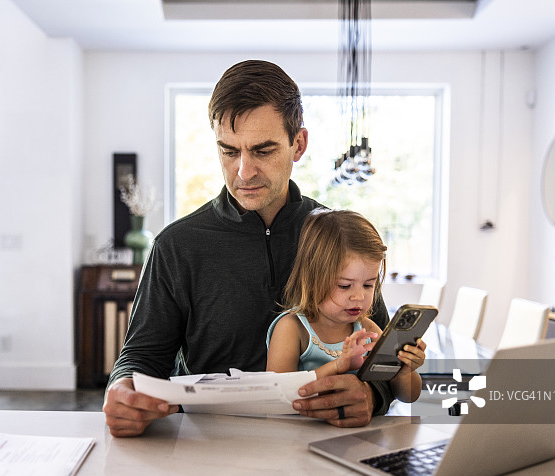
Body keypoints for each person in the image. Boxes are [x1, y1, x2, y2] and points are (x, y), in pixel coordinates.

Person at [103, 59, 397, 437]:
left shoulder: (338, 237)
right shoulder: (176, 246)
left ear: (299, 144)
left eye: (263, 150)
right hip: (209, 444)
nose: (244, 172)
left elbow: (387, 356)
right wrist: (121, 388)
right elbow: (141, 356)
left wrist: (372, 395)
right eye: (229, 151)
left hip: (325, 444)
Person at [266, 209, 424, 403]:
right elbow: (276, 394)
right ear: (313, 279)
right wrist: (337, 366)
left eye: (368, 285)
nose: (358, 296)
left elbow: (408, 397)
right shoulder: (292, 328)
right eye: (344, 286)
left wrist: (404, 370)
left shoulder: (368, 330)